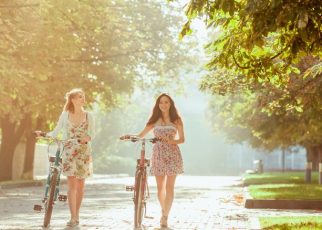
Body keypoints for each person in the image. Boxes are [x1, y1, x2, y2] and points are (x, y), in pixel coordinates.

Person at [122, 93, 185, 228]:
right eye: (161, 102)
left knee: (170, 187)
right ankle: (164, 211)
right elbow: (140, 135)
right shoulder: (154, 120)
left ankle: (165, 217)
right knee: (160, 187)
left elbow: (182, 139)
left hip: (173, 154)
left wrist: (171, 141)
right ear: (158, 104)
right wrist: (129, 136)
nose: (163, 105)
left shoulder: (177, 120)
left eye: (166, 102)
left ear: (170, 104)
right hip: (158, 154)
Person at [35, 88, 95, 227]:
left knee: (80, 186)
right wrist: (44, 134)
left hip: (83, 151)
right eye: (79, 96)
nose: (82, 98)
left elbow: (92, 133)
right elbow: (56, 132)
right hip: (69, 151)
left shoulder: (89, 116)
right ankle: (73, 217)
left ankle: (77, 214)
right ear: (73, 99)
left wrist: (87, 138)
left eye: (83, 96)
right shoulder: (65, 115)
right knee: (71, 185)